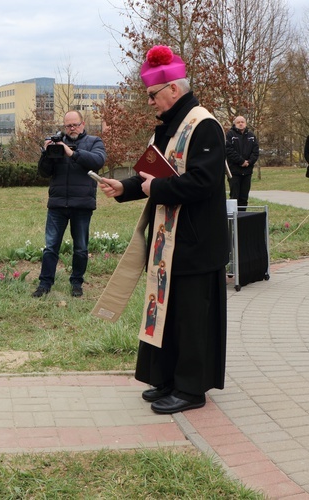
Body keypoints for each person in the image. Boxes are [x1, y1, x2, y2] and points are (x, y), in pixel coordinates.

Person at [94, 46, 229, 414]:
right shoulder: (168, 129)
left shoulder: (204, 125)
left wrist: (156, 188)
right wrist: (125, 187)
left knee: (191, 319)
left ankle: (191, 390)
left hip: (196, 242)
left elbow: (203, 182)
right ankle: (168, 379)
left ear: (173, 88)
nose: (150, 101)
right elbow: (152, 175)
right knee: (167, 315)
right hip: (169, 241)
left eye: (153, 95)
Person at [32, 110, 107, 298]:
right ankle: (45, 284)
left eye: (75, 125)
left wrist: (71, 153)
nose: (72, 129)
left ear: (83, 124)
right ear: (64, 127)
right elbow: (44, 172)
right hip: (57, 204)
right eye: (68, 126)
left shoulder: (94, 142)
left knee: (80, 247)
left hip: (82, 204)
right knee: (50, 247)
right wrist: (46, 153)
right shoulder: (57, 143)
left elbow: (98, 161)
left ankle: (76, 283)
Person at [226, 116, 259, 209]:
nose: (240, 124)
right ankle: (234, 221)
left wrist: (249, 162)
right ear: (235, 124)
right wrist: (241, 161)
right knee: (234, 197)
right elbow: (229, 151)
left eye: (242, 122)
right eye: (238, 122)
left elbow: (255, 152)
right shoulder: (230, 135)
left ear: (245, 123)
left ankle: (242, 218)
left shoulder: (251, 136)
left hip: (247, 172)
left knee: (244, 197)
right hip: (234, 172)